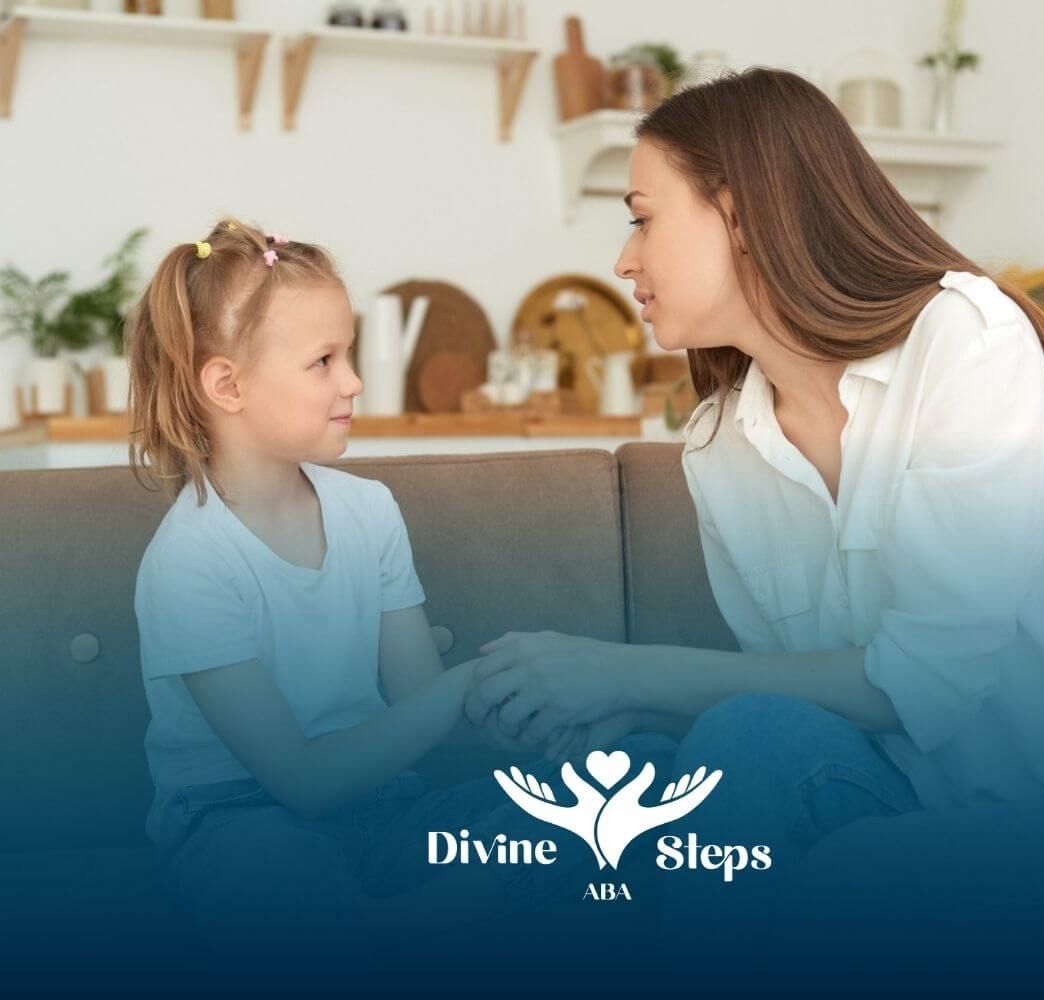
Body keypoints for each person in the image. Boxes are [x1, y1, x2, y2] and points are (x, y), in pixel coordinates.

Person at [463, 70, 1044, 968]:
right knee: (680, 765)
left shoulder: (968, 341)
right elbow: (795, 704)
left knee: (851, 871)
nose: (623, 261)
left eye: (642, 218)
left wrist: (623, 672)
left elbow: (926, 683)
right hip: (910, 799)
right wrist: (617, 710)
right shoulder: (720, 444)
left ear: (739, 213)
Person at [126, 220, 675, 977]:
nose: (354, 382)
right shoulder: (190, 560)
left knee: (636, 781)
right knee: (271, 880)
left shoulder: (369, 510)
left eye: (348, 354)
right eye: (323, 361)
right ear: (227, 386)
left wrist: (540, 721)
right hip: (237, 821)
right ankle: (419, 934)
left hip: (389, 809)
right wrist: (467, 682)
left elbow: (422, 707)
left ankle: (397, 935)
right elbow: (303, 782)